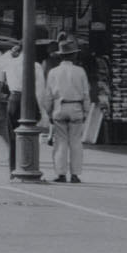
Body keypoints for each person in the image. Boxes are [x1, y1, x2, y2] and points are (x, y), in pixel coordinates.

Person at [1, 32, 50, 173]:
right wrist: (43, 112)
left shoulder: (9, 62)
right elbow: (40, 91)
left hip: (13, 99)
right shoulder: (35, 66)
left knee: (13, 136)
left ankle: (13, 168)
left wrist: (11, 52)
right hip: (29, 101)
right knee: (30, 134)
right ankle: (27, 165)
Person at [45, 35, 91, 183]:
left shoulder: (53, 72)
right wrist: (86, 110)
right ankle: (76, 174)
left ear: (60, 56)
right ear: (74, 55)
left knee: (61, 143)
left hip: (59, 107)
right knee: (76, 142)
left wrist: (49, 111)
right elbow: (85, 93)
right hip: (76, 107)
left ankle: (61, 173)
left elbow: (48, 95)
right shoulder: (81, 71)